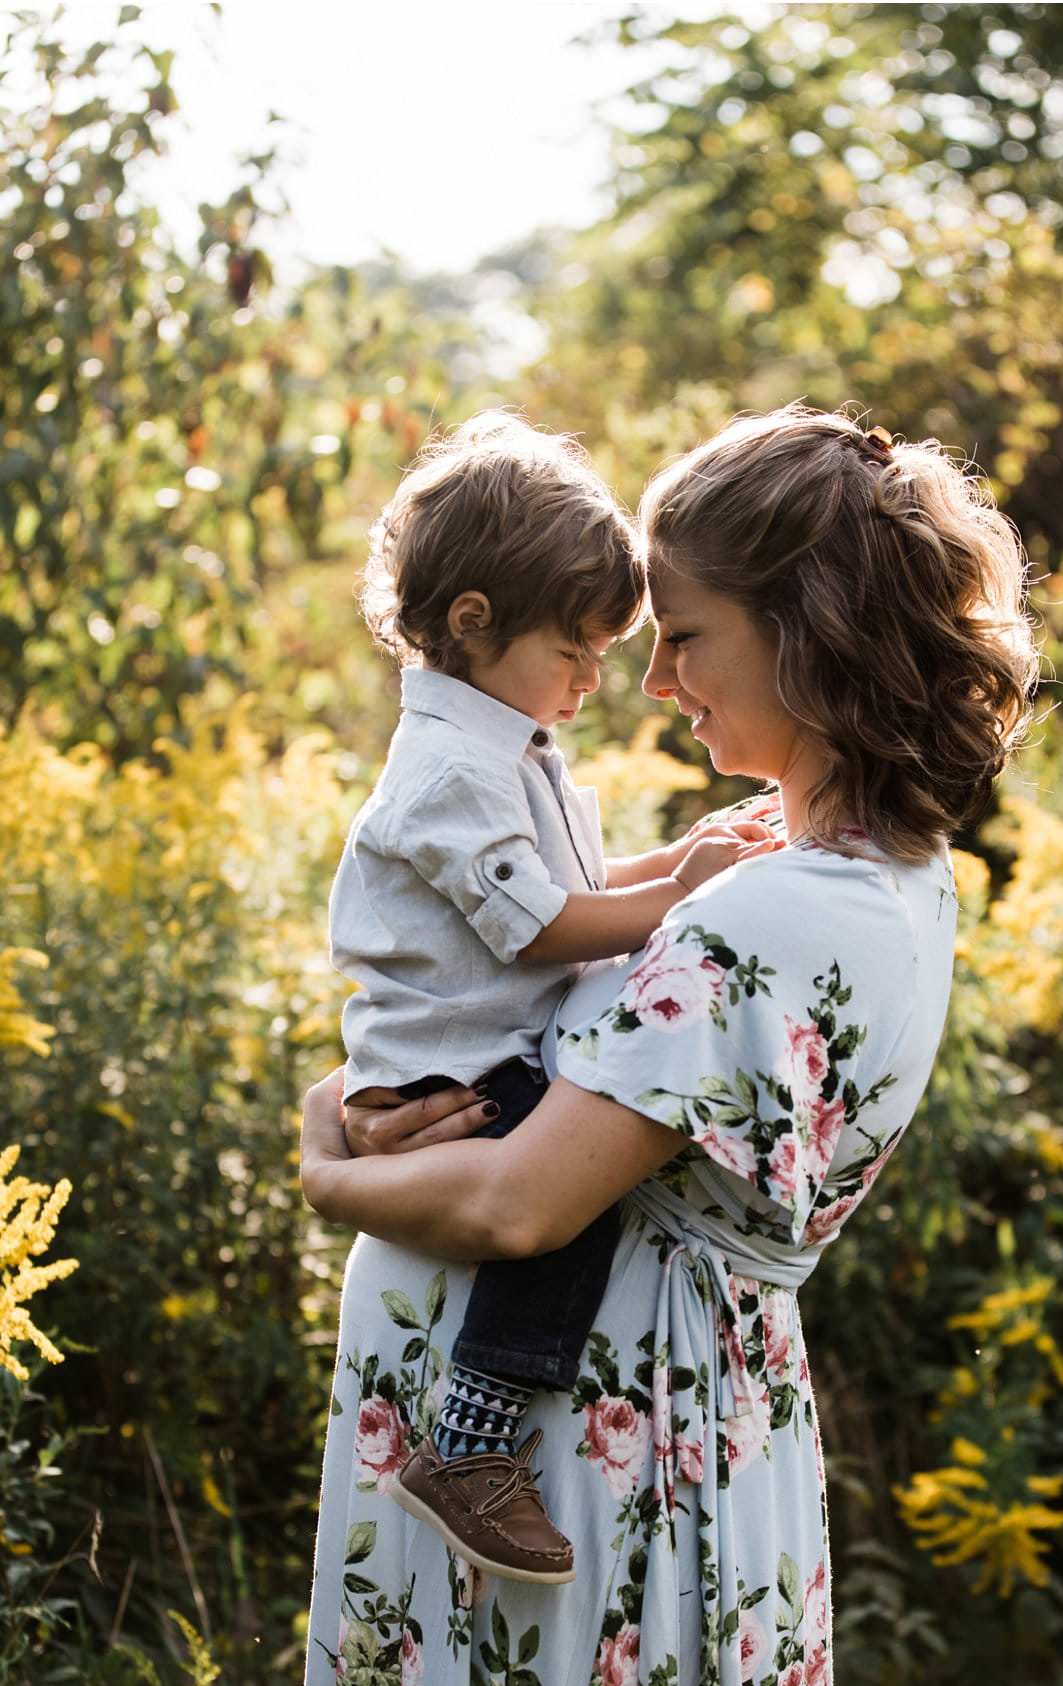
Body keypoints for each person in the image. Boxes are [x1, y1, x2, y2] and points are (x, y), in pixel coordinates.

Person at [281, 403, 1040, 1686]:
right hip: (694, 1420)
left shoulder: (768, 907)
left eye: (685, 633)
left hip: (582, 1453)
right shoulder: (887, 876)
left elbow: (519, 1194)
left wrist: (325, 1160)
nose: (651, 675)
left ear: (810, 630)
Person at [333, 410, 774, 1583]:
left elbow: (566, 887)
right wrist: (680, 892)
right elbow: (537, 927)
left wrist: (681, 855)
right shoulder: (447, 769)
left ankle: (483, 1434)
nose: (595, 680)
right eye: (575, 651)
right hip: (456, 1071)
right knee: (563, 1200)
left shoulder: (504, 738)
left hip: (477, 1043)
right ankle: (468, 1448)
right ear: (473, 624)